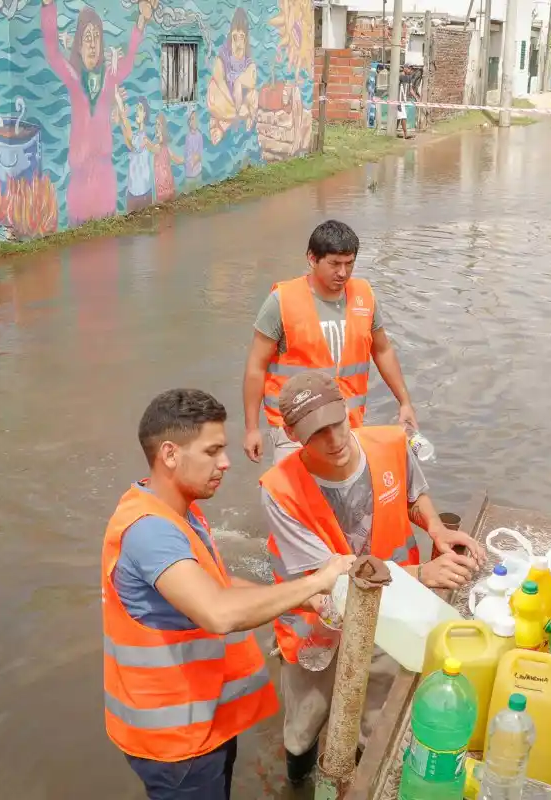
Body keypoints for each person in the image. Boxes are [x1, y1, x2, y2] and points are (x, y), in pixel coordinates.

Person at [102, 388, 355, 799]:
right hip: (174, 743)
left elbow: (217, 584)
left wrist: (302, 599)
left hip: (202, 722)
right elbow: (217, 611)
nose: (226, 462)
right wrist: (316, 581)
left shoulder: (179, 510)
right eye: (212, 451)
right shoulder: (149, 531)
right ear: (170, 454)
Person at [259, 370, 484, 786]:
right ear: (290, 433)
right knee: (305, 722)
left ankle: (358, 784)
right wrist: (423, 573)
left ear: (347, 407)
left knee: (377, 712)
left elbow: (413, 494)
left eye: (337, 423)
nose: (334, 440)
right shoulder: (281, 490)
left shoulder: (389, 445)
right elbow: (332, 580)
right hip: (318, 623)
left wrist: (436, 528)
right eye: (316, 433)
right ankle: (298, 785)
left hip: (391, 616)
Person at [243, 219, 419, 464]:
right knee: (298, 498)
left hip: (348, 425)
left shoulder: (364, 297)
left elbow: (383, 351)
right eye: (334, 264)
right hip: (295, 430)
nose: (343, 273)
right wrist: (252, 429)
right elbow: (256, 366)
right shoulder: (281, 301)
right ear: (312, 259)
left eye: (349, 264)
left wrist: (405, 402)